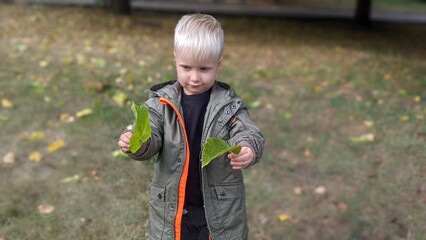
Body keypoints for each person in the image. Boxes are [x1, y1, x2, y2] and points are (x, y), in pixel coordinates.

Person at [117, 13, 264, 240]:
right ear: (175, 58)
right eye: (186, 67)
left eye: (204, 69)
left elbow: (247, 132)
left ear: (218, 64)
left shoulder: (228, 107)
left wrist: (247, 148)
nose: (194, 77)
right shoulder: (160, 105)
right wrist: (136, 142)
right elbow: (151, 135)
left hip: (218, 210)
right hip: (173, 209)